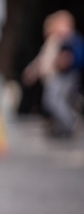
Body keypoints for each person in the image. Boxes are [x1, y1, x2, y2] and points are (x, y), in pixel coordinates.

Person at [23, 10, 82, 138]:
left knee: (54, 101)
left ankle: (69, 122)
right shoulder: (55, 41)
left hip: (64, 76)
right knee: (52, 101)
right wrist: (33, 70)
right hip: (53, 77)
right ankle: (61, 125)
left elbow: (75, 56)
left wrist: (68, 60)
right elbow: (42, 59)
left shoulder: (70, 40)